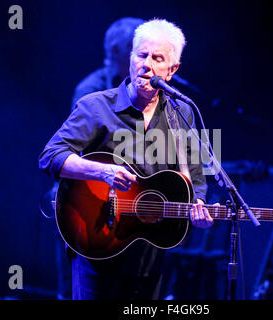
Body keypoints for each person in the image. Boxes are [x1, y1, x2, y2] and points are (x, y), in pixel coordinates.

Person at [39, 18, 213, 300]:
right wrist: (102, 172)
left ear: (172, 70)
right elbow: (50, 156)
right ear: (131, 58)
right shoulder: (96, 106)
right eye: (142, 55)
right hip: (98, 241)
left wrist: (200, 208)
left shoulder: (182, 113)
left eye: (158, 58)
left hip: (149, 251)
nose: (147, 64)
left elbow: (194, 175)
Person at [71, 17, 145, 110]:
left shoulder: (146, 83)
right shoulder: (90, 90)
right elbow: (84, 124)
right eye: (134, 47)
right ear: (115, 50)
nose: (144, 54)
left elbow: (139, 123)